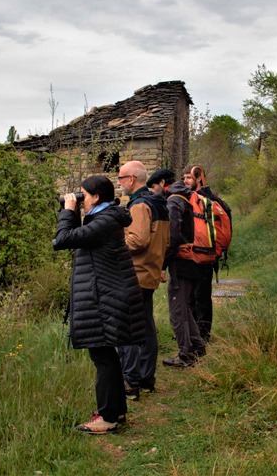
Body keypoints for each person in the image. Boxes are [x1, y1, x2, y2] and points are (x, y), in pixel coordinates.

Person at [53, 175, 145, 434]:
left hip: (105, 300)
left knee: (103, 357)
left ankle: (107, 417)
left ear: (95, 197)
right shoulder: (106, 218)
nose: (80, 200)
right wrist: (74, 212)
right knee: (106, 356)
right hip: (106, 297)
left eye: (83, 195)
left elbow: (63, 239)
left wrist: (68, 211)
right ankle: (115, 412)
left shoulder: (104, 221)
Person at [116, 161, 170, 400]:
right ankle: (146, 378)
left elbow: (137, 240)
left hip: (135, 273)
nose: (118, 183)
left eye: (121, 178)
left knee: (128, 329)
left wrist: (112, 247)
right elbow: (166, 242)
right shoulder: (160, 202)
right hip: (150, 271)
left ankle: (131, 382)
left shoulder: (139, 205)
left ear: (131, 179)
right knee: (146, 328)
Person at [162, 166, 211, 368]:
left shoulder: (174, 202)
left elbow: (172, 236)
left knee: (177, 311)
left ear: (165, 187)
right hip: (195, 260)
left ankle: (185, 355)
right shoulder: (189, 200)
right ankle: (198, 347)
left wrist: (162, 264)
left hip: (181, 263)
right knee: (186, 309)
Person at [184, 165, 232, 344]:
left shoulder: (205, 200)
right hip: (195, 253)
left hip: (205, 254)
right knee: (192, 296)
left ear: (198, 178)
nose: (185, 181)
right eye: (184, 178)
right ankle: (195, 332)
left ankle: (202, 334)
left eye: (189, 177)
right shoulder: (197, 199)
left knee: (201, 296)